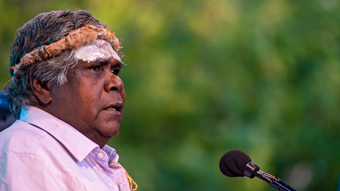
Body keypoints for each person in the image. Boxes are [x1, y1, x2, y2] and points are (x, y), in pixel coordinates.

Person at [0, 10, 137, 191]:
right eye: (95, 67)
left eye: (114, 71)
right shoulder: (26, 153)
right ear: (43, 85)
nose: (117, 82)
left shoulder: (76, 158)